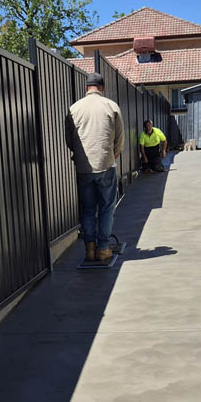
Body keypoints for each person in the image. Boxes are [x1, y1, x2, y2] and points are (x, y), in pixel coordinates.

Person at [65, 71, 124, 263]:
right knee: (106, 207)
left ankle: (89, 249)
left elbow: (69, 140)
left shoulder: (74, 108)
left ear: (86, 88)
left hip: (83, 167)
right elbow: (119, 140)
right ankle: (103, 248)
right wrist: (111, 156)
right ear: (102, 88)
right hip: (105, 164)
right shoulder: (111, 106)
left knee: (88, 208)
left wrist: (80, 156)